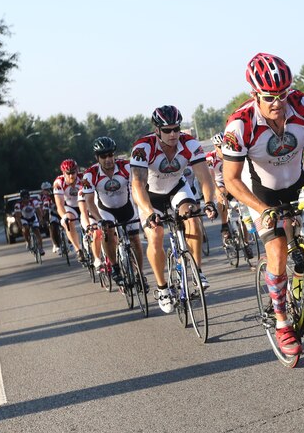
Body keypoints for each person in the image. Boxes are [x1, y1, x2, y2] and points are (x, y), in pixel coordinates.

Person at [221, 52, 304, 358]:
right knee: (278, 250)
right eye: (270, 97)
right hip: (263, 194)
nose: (278, 103)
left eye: (283, 94)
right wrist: (261, 209)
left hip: (298, 184)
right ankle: (282, 321)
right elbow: (230, 180)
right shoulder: (240, 125)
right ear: (254, 94)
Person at [130, 105, 218, 314]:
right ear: (157, 130)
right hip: (149, 195)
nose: (173, 134)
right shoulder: (144, 148)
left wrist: (209, 202)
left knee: (192, 217)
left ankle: (197, 271)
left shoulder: (189, 144)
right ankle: (162, 287)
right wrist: (148, 212)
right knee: (156, 234)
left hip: (176, 188)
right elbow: (137, 185)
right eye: (167, 130)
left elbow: (204, 177)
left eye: (176, 129)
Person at [81, 136, 144, 285]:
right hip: (106, 210)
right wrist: (99, 220)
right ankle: (115, 266)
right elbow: (89, 202)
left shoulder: (126, 167)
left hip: (126, 207)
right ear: (97, 158)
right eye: (103, 156)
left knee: (135, 239)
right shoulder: (90, 175)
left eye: (110, 155)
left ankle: (140, 275)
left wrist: (142, 209)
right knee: (107, 232)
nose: (108, 159)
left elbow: (137, 188)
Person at [53, 159, 88, 262]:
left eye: (73, 172)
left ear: (77, 171)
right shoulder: (59, 183)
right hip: (70, 207)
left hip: (84, 204)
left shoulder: (84, 178)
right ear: (63, 173)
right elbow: (59, 205)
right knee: (68, 220)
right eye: (68, 173)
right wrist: (64, 217)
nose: (71, 176)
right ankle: (78, 250)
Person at [13, 189, 44, 255]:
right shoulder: (18, 205)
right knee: (26, 228)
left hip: (33, 217)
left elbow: (39, 211)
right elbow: (18, 217)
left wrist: (41, 219)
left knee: (37, 231)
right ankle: (28, 241)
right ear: (21, 198)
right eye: (24, 198)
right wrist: (20, 226)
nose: (26, 200)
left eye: (27, 198)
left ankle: (41, 248)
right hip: (24, 218)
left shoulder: (34, 201)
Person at [37, 181, 60, 254]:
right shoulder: (40, 197)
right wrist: (43, 217)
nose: (47, 191)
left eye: (48, 189)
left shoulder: (55, 193)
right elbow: (40, 207)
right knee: (52, 226)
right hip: (49, 211)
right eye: (45, 190)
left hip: (58, 210)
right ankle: (55, 244)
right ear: (42, 190)